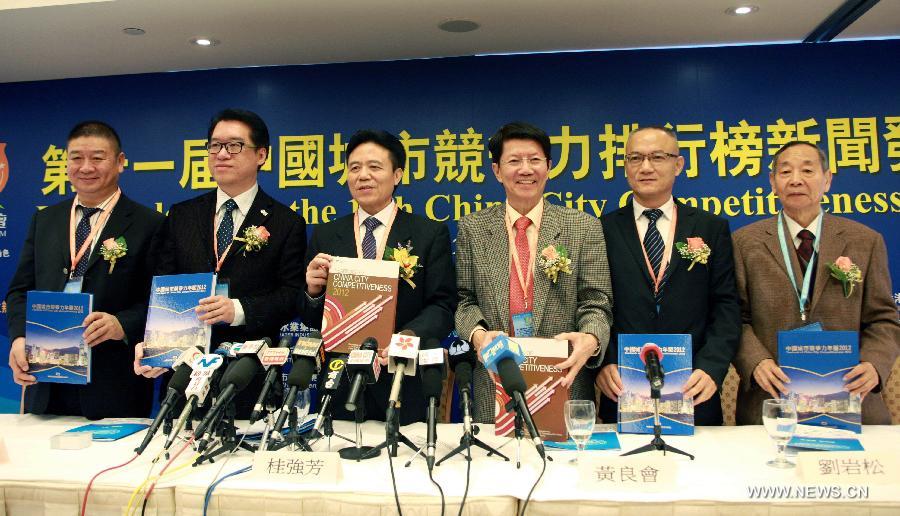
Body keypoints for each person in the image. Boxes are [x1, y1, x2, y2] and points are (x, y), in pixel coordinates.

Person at [134, 108, 307, 418]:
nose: (222, 154)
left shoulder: (286, 222)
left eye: (235, 145)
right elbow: (162, 285)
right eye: (215, 145)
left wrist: (238, 309)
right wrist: (152, 346)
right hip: (183, 370)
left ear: (262, 155)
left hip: (247, 374)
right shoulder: (182, 215)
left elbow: (291, 294)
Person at [455, 121, 613, 423]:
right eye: (514, 161)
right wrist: (478, 336)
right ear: (497, 170)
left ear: (549, 166)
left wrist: (592, 337)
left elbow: (597, 301)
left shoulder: (583, 226)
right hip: (495, 380)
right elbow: (464, 300)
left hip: (564, 377)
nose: (525, 169)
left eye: (535, 160)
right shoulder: (473, 228)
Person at [733, 141, 900, 425]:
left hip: (850, 397)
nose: (796, 179)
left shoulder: (865, 241)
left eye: (807, 170)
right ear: (773, 182)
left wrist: (874, 363)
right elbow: (734, 317)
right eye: (785, 172)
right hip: (773, 398)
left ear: (827, 180)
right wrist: (756, 361)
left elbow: (884, 318)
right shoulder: (744, 242)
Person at [7, 121, 163, 419]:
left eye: (97, 157)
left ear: (120, 162)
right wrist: (18, 339)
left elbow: (159, 301)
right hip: (45, 379)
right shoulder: (45, 220)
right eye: (76, 158)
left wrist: (122, 324)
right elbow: (19, 291)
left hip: (112, 385)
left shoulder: (149, 224)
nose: (86, 167)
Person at [299, 129, 456, 425]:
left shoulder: (428, 234)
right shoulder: (327, 234)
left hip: (403, 379)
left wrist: (405, 337)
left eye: (374, 167)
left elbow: (443, 306)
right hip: (340, 378)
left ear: (397, 175)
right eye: (354, 168)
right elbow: (309, 316)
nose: (363, 176)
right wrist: (312, 292)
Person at [595, 126, 740, 425]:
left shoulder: (710, 228)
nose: (645, 167)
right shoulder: (601, 230)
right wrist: (603, 363)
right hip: (622, 388)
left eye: (657, 157)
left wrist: (711, 368)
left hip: (694, 389)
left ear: (678, 164)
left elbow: (726, 306)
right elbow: (591, 304)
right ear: (625, 167)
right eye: (635, 158)